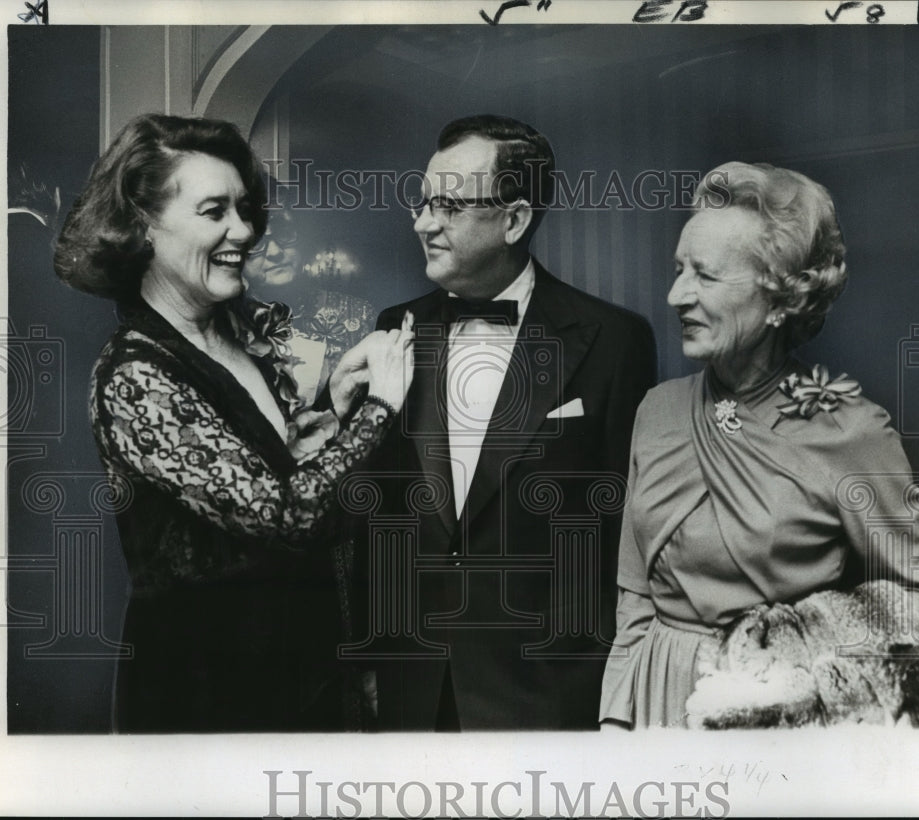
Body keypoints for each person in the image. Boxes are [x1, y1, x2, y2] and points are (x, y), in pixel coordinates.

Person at [53, 113, 414, 732]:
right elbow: (287, 516)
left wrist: (336, 410)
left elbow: (259, 468)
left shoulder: (235, 336)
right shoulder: (134, 377)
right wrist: (381, 408)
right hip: (208, 695)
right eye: (214, 211)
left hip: (299, 673)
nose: (243, 230)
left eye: (244, 210)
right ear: (140, 224)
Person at [599, 161, 919, 729]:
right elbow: (636, 600)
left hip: (779, 723)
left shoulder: (852, 432)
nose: (675, 294)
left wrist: (808, 636)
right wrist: (615, 724)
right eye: (678, 270)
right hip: (656, 704)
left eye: (706, 275)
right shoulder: (658, 411)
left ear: (779, 299)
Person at [351, 114, 658, 730]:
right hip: (412, 687)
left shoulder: (615, 340)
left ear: (514, 220)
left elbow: (627, 531)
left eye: (449, 207)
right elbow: (375, 515)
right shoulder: (395, 326)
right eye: (423, 202)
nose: (423, 223)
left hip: (549, 691)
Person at [243, 201, 376, 404]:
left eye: (284, 232)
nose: (274, 252)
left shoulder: (358, 314)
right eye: (257, 241)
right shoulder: (225, 322)